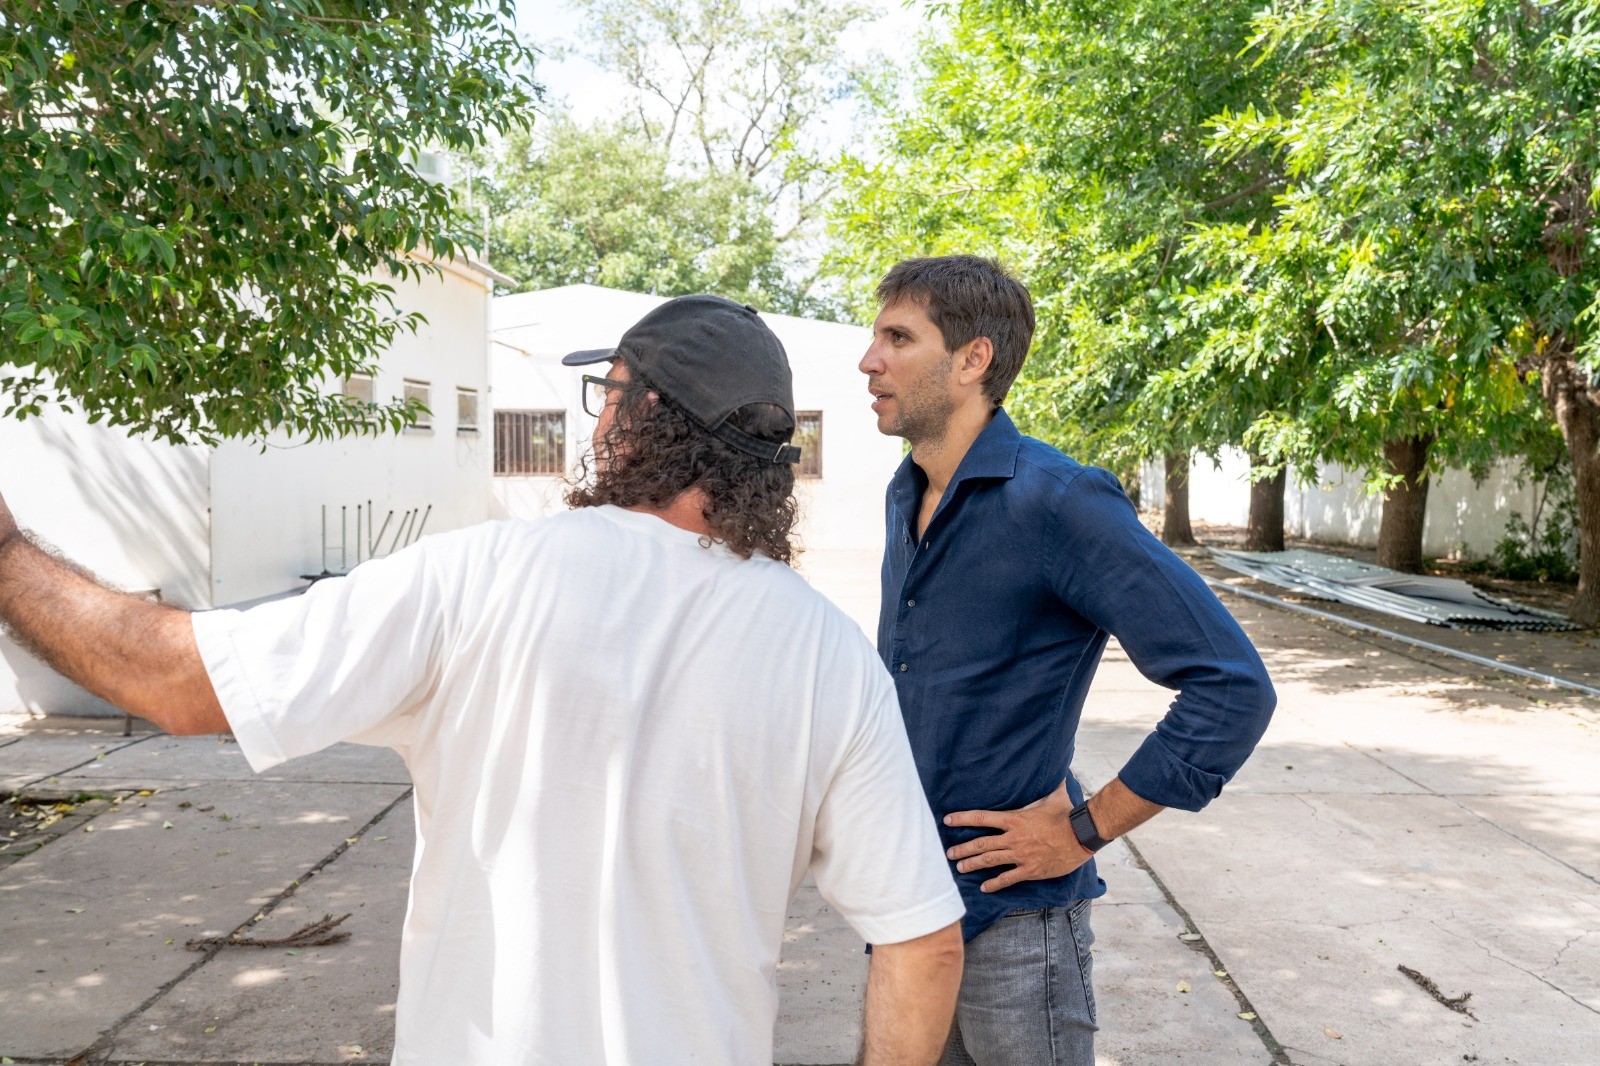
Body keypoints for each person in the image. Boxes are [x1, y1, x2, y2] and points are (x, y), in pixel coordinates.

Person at [0, 294, 966, 1064]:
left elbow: (175, 680)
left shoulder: (482, 577)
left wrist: (8, 556)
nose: (600, 419)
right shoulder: (828, 653)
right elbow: (923, 943)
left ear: (644, 416)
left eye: (610, 393)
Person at [856, 256, 1277, 1065]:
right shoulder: (904, 491)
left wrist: (1085, 830)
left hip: (1013, 922)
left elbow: (1231, 687)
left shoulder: (1056, 499)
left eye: (898, 339)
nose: (870, 361)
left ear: (973, 359)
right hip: (906, 903)